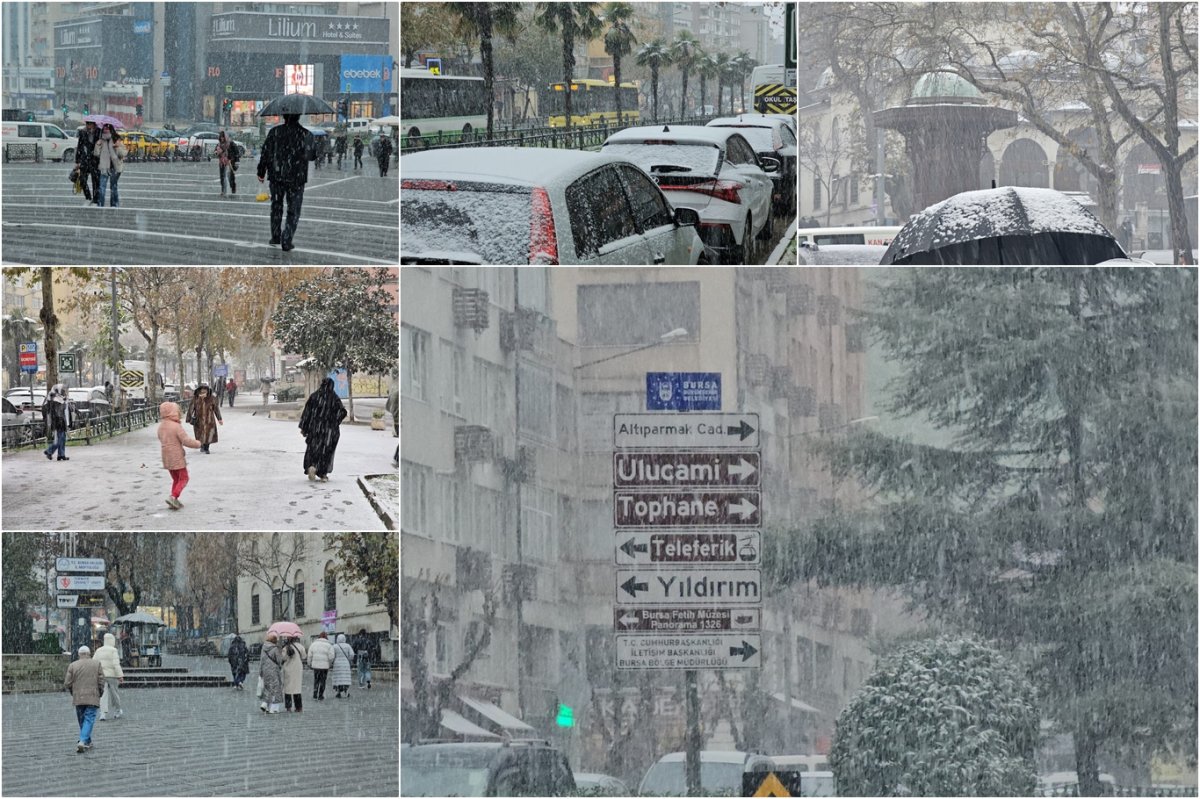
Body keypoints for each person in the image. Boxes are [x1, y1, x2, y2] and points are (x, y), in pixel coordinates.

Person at [255, 113, 316, 252]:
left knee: (276, 206)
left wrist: (261, 171)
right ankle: (287, 239)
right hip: (297, 177)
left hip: (276, 175)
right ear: (299, 117)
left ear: (284, 116)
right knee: (293, 209)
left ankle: (275, 236)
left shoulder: (274, 132)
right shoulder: (306, 134)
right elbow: (312, 156)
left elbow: (265, 153)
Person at [299, 376, 347, 482]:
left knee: (313, 450)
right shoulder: (334, 398)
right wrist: (335, 421)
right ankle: (322, 473)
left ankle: (312, 466)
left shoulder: (314, 396)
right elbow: (343, 412)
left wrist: (304, 427)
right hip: (328, 431)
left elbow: (307, 413)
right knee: (326, 452)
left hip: (314, 429)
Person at [157, 401, 201, 510]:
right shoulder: (176, 426)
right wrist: (198, 443)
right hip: (176, 456)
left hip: (166, 456)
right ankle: (173, 496)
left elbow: (161, 438)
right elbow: (185, 440)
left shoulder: (161, 426)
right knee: (184, 478)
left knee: (176, 479)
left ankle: (174, 499)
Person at [64, 645, 105, 753]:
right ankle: (83, 741)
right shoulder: (96, 664)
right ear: (89, 653)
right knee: (89, 719)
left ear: (79, 654)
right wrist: (100, 692)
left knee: (82, 719)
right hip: (92, 696)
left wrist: (73, 692)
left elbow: (67, 683)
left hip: (78, 697)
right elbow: (101, 681)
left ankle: (86, 741)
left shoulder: (73, 665)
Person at [185, 383, 223, 454]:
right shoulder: (195, 398)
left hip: (209, 420)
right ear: (199, 391)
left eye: (205, 391)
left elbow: (216, 409)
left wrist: (219, 419)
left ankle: (206, 448)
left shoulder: (211, 398)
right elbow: (191, 408)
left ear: (208, 391)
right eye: (202, 391)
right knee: (199, 434)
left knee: (208, 434)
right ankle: (202, 445)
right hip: (198, 420)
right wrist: (188, 418)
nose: (203, 392)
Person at [94, 123, 126, 207]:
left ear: (111, 130)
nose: (106, 130)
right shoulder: (101, 141)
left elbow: (123, 154)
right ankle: (100, 204)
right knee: (102, 188)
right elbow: (96, 154)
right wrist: (97, 145)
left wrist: (117, 147)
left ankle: (114, 205)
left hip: (115, 168)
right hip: (104, 167)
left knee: (113, 188)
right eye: (104, 128)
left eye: (107, 128)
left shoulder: (116, 140)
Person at [95, 632, 124, 721]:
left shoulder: (98, 650)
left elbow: (94, 662)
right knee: (114, 693)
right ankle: (117, 710)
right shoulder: (113, 650)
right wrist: (120, 675)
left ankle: (102, 713)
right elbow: (116, 664)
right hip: (112, 675)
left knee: (103, 694)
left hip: (102, 675)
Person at [75, 120, 102, 204]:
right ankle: (88, 197)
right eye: (87, 124)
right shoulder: (83, 132)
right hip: (85, 160)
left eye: (89, 124)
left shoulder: (99, 132)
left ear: (94, 124)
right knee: (82, 179)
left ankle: (95, 199)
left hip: (95, 160)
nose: (88, 125)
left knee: (96, 181)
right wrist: (77, 161)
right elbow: (79, 146)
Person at [41, 383, 71, 461]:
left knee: (63, 438)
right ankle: (49, 451)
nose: (65, 392)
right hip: (59, 421)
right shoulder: (55, 399)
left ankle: (61, 454)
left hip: (61, 421)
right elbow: (58, 413)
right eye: (63, 390)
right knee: (60, 438)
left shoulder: (60, 398)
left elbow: (65, 411)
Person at [280, 636, 307, 713]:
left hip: (288, 669)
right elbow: (304, 656)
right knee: (297, 688)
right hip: (297, 669)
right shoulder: (300, 646)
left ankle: (288, 707)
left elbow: (283, 658)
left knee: (288, 688)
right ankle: (299, 707)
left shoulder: (286, 647)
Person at [259, 632, 284, 713]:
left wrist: (260, 672)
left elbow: (261, 660)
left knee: (267, 688)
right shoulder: (275, 648)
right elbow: (279, 661)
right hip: (274, 671)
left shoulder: (263, 648)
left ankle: (264, 704)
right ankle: (274, 708)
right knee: (276, 688)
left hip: (265, 670)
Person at [307, 631, 334, 701]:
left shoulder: (313, 644)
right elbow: (331, 657)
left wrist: (309, 663)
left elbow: (309, 655)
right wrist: (330, 664)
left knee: (316, 680)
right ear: (326, 637)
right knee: (323, 681)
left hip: (316, 666)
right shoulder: (329, 645)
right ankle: (320, 695)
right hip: (324, 667)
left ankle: (315, 694)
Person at [330, 633, 355, 699]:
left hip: (337, 664)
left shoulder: (335, 646)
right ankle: (346, 691)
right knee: (345, 678)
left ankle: (338, 692)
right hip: (345, 664)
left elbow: (331, 656)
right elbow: (352, 654)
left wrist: (332, 661)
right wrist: (348, 659)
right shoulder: (348, 646)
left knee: (338, 678)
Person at [216, 131, 239, 197]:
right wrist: (217, 152)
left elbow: (236, 152)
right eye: (221, 137)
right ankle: (223, 190)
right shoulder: (219, 144)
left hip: (230, 162)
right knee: (222, 176)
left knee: (230, 177)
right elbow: (215, 152)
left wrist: (235, 160)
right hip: (222, 162)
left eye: (223, 137)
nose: (222, 138)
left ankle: (233, 188)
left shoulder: (231, 143)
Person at [386, 382, 399, 469]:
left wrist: (394, 413)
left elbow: (387, 407)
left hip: (397, 421)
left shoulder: (394, 394)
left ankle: (396, 459)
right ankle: (396, 460)